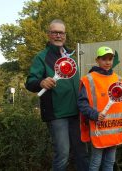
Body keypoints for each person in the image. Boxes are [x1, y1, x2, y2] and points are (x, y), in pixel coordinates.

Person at [25, 19, 89, 171]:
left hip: (76, 113)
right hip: (57, 114)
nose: (58, 35)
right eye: (55, 32)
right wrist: (41, 82)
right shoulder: (42, 57)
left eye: (61, 33)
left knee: (82, 153)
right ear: (49, 35)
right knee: (62, 154)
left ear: (65, 35)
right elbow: (30, 82)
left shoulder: (71, 58)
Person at [78, 46, 122, 171]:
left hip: (114, 130)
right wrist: (94, 114)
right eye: (104, 59)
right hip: (98, 130)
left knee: (109, 163)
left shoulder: (119, 80)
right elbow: (82, 104)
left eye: (110, 59)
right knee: (95, 163)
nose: (107, 62)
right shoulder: (89, 79)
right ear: (97, 60)